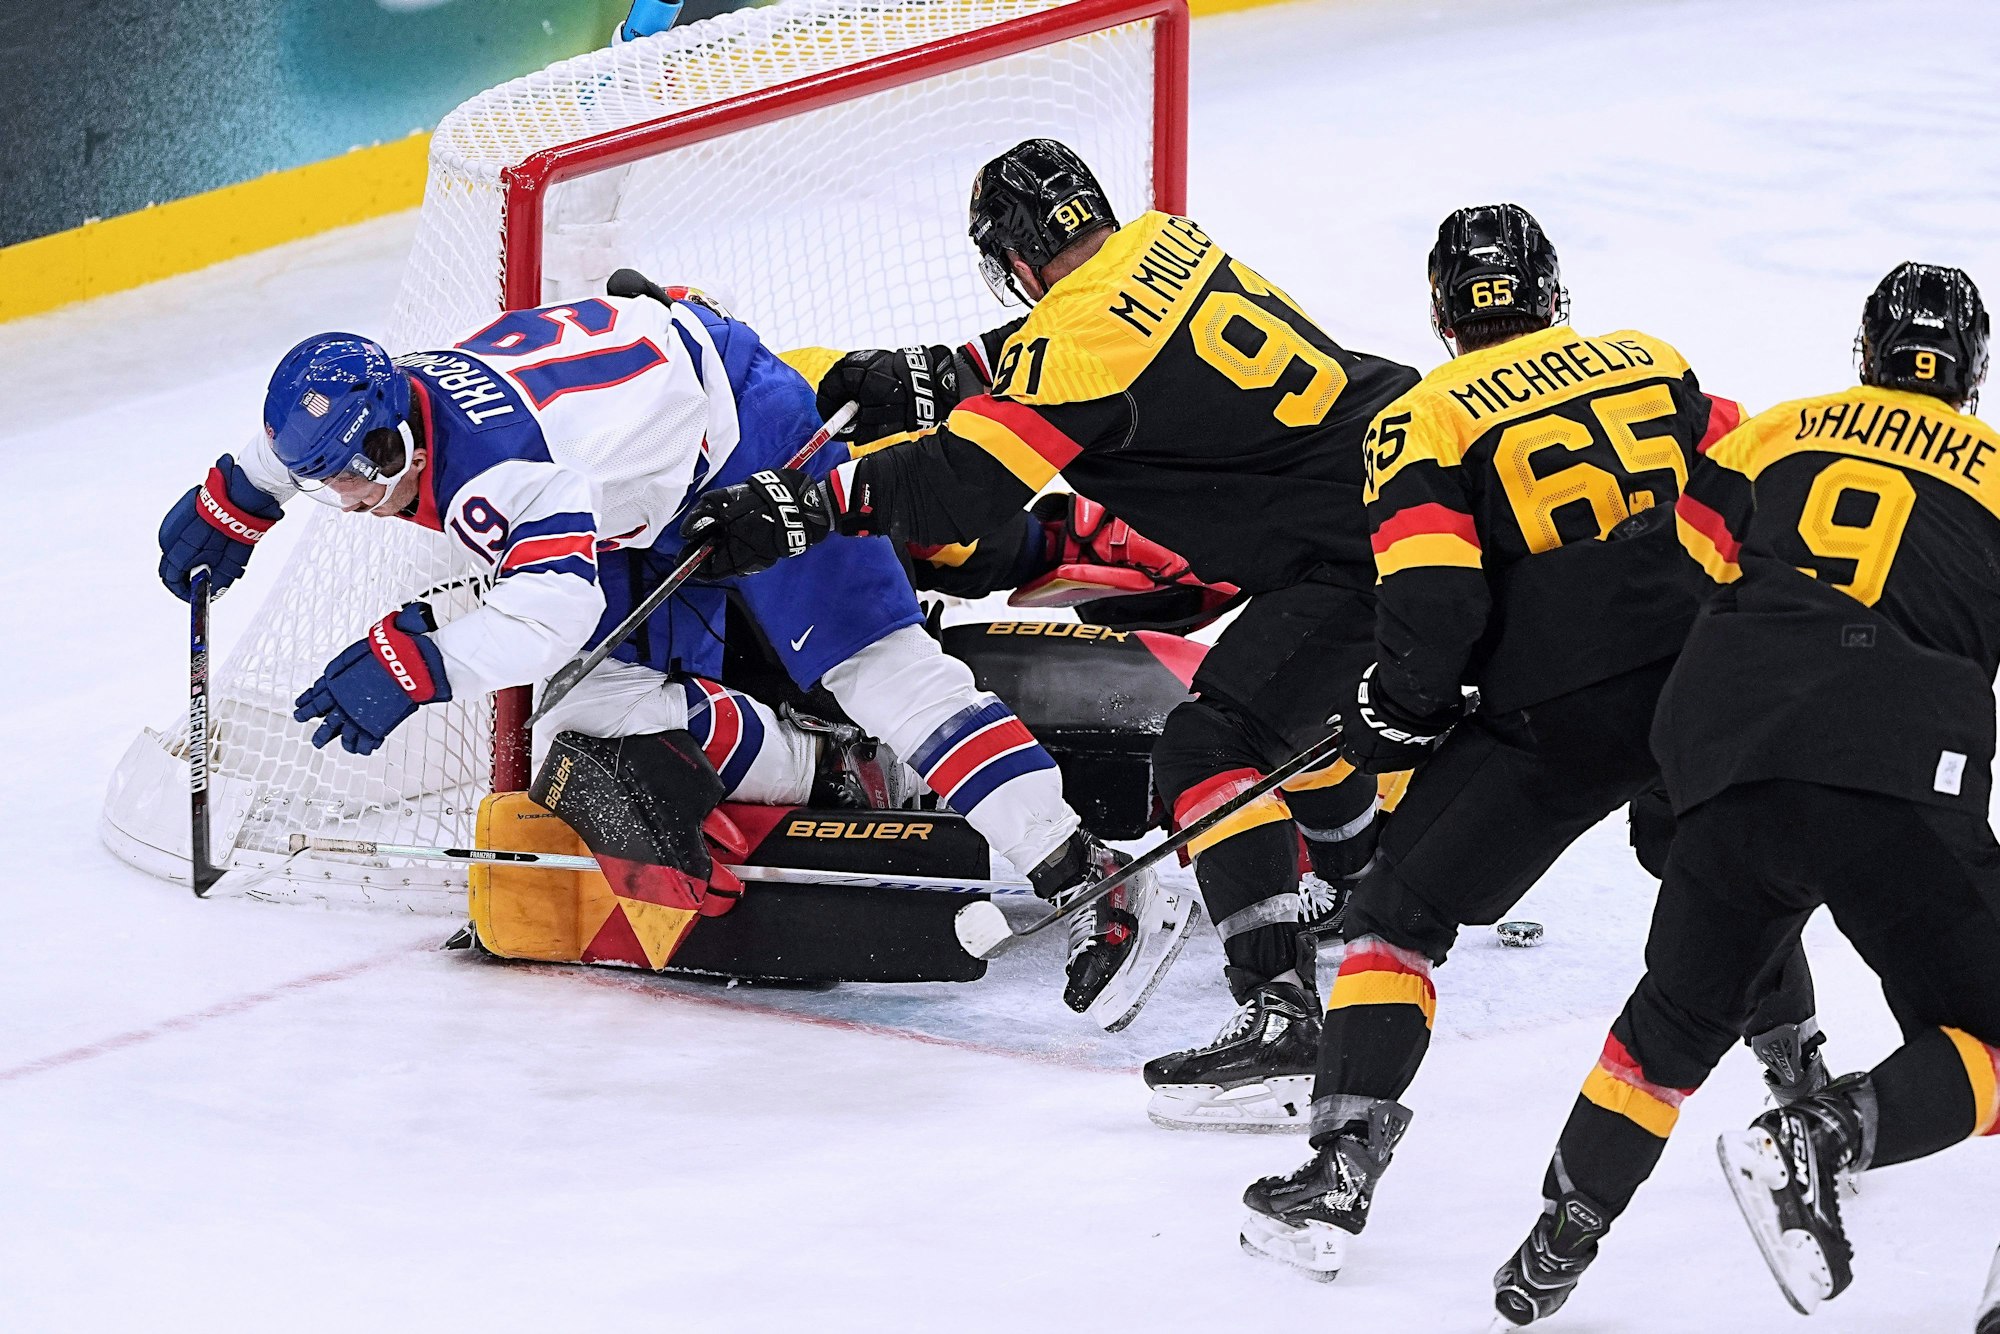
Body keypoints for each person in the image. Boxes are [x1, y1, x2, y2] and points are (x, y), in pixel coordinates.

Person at [153, 279, 1195, 1031]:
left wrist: (416, 665)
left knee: (886, 670)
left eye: (373, 463)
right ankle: (818, 763)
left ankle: (1089, 867)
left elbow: (551, 605)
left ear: (403, 430)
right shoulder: (405, 398)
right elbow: (320, 436)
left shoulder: (496, 471)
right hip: (655, 440)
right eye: (337, 478)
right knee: (583, 704)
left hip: (749, 437)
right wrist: (236, 498)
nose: (364, 487)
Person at [684, 138, 1424, 1131]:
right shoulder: (1164, 243)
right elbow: (1062, 349)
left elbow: (956, 485)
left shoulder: (1072, 349)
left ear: (1012, 256)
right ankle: (1370, 881)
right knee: (1282, 712)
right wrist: (927, 371)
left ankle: (1278, 1016)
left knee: (1213, 746)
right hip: (1402, 481)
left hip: (1360, 545)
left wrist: (798, 509)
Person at [1236, 203, 1826, 1281]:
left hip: (1548, 713)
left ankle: (1339, 1163)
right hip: (1701, 678)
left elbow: (1432, 594)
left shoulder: (1420, 415)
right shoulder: (1649, 360)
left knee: (1393, 917)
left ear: (1441, 312)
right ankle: (1801, 1076)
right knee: (1712, 874)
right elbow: (1752, 478)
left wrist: (1398, 704)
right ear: (1552, 292)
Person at [1487, 262, 2000, 1326]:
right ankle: (1819, 1132)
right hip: (1890, 756)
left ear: (1862, 355)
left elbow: (1694, 564)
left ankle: (1556, 1235)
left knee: (1669, 1019)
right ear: (1972, 373)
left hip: (1721, 742)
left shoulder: (1773, 430)